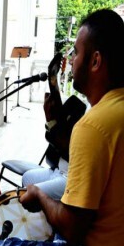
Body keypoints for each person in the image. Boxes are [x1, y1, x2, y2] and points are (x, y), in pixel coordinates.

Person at [0, 9, 124, 246]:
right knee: (44, 238)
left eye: (76, 52)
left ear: (96, 61)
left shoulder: (95, 125)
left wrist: (39, 199)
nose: (71, 59)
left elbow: (73, 227)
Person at [22, 52, 87, 200]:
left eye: (76, 54)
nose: (70, 61)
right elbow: (61, 121)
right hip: (58, 169)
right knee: (27, 178)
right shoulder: (78, 103)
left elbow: (67, 148)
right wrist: (53, 81)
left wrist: (50, 121)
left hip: (69, 178)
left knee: (29, 194)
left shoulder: (92, 111)